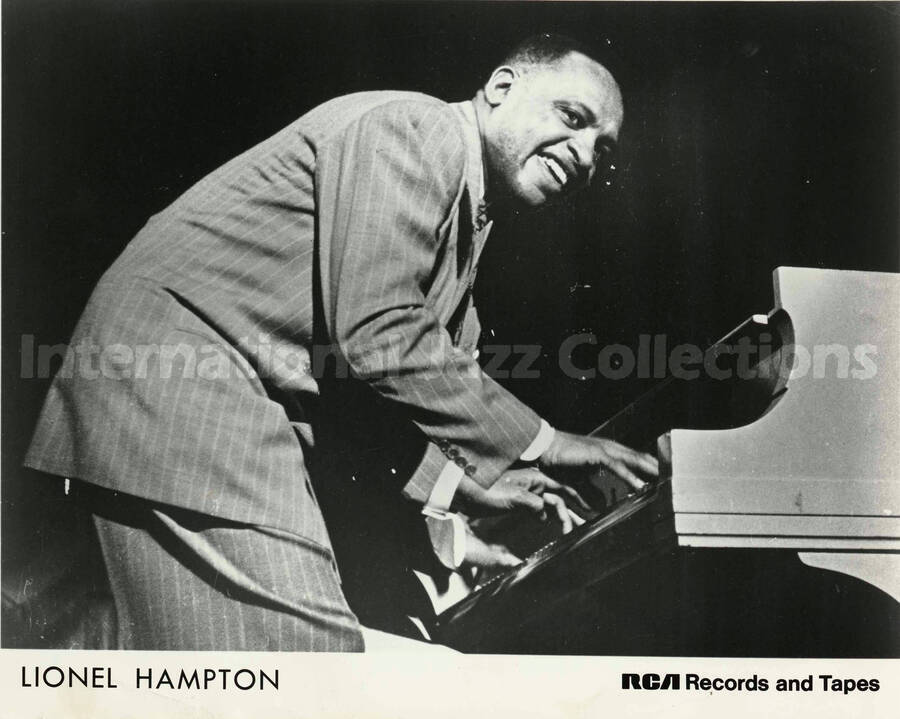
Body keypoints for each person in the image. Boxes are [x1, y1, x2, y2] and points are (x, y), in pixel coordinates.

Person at [24, 33, 657, 651]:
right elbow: (380, 336)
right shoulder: (418, 130)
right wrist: (546, 444)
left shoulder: (469, 210)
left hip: (192, 392)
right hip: (184, 387)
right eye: (572, 118)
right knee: (311, 658)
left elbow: (352, 382)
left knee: (147, 659)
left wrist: (463, 490)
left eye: (602, 149)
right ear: (500, 87)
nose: (584, 153)